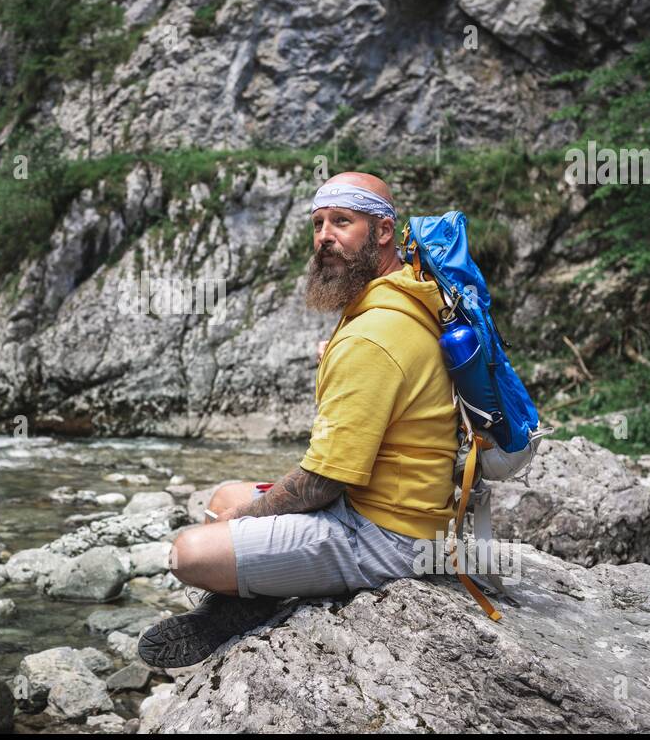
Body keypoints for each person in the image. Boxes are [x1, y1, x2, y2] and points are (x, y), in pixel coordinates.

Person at [138, 171, 460, 669]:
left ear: (383, 232)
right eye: (318, 223)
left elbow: (321, 484)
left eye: (342, 222)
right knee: (222, 494)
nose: (324, 237)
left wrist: (244, 519)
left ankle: (250, 599)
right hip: (386, 509)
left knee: (190, 553)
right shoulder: (400, 297)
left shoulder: (373, 334)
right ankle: (260, 587)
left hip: (392, 536)